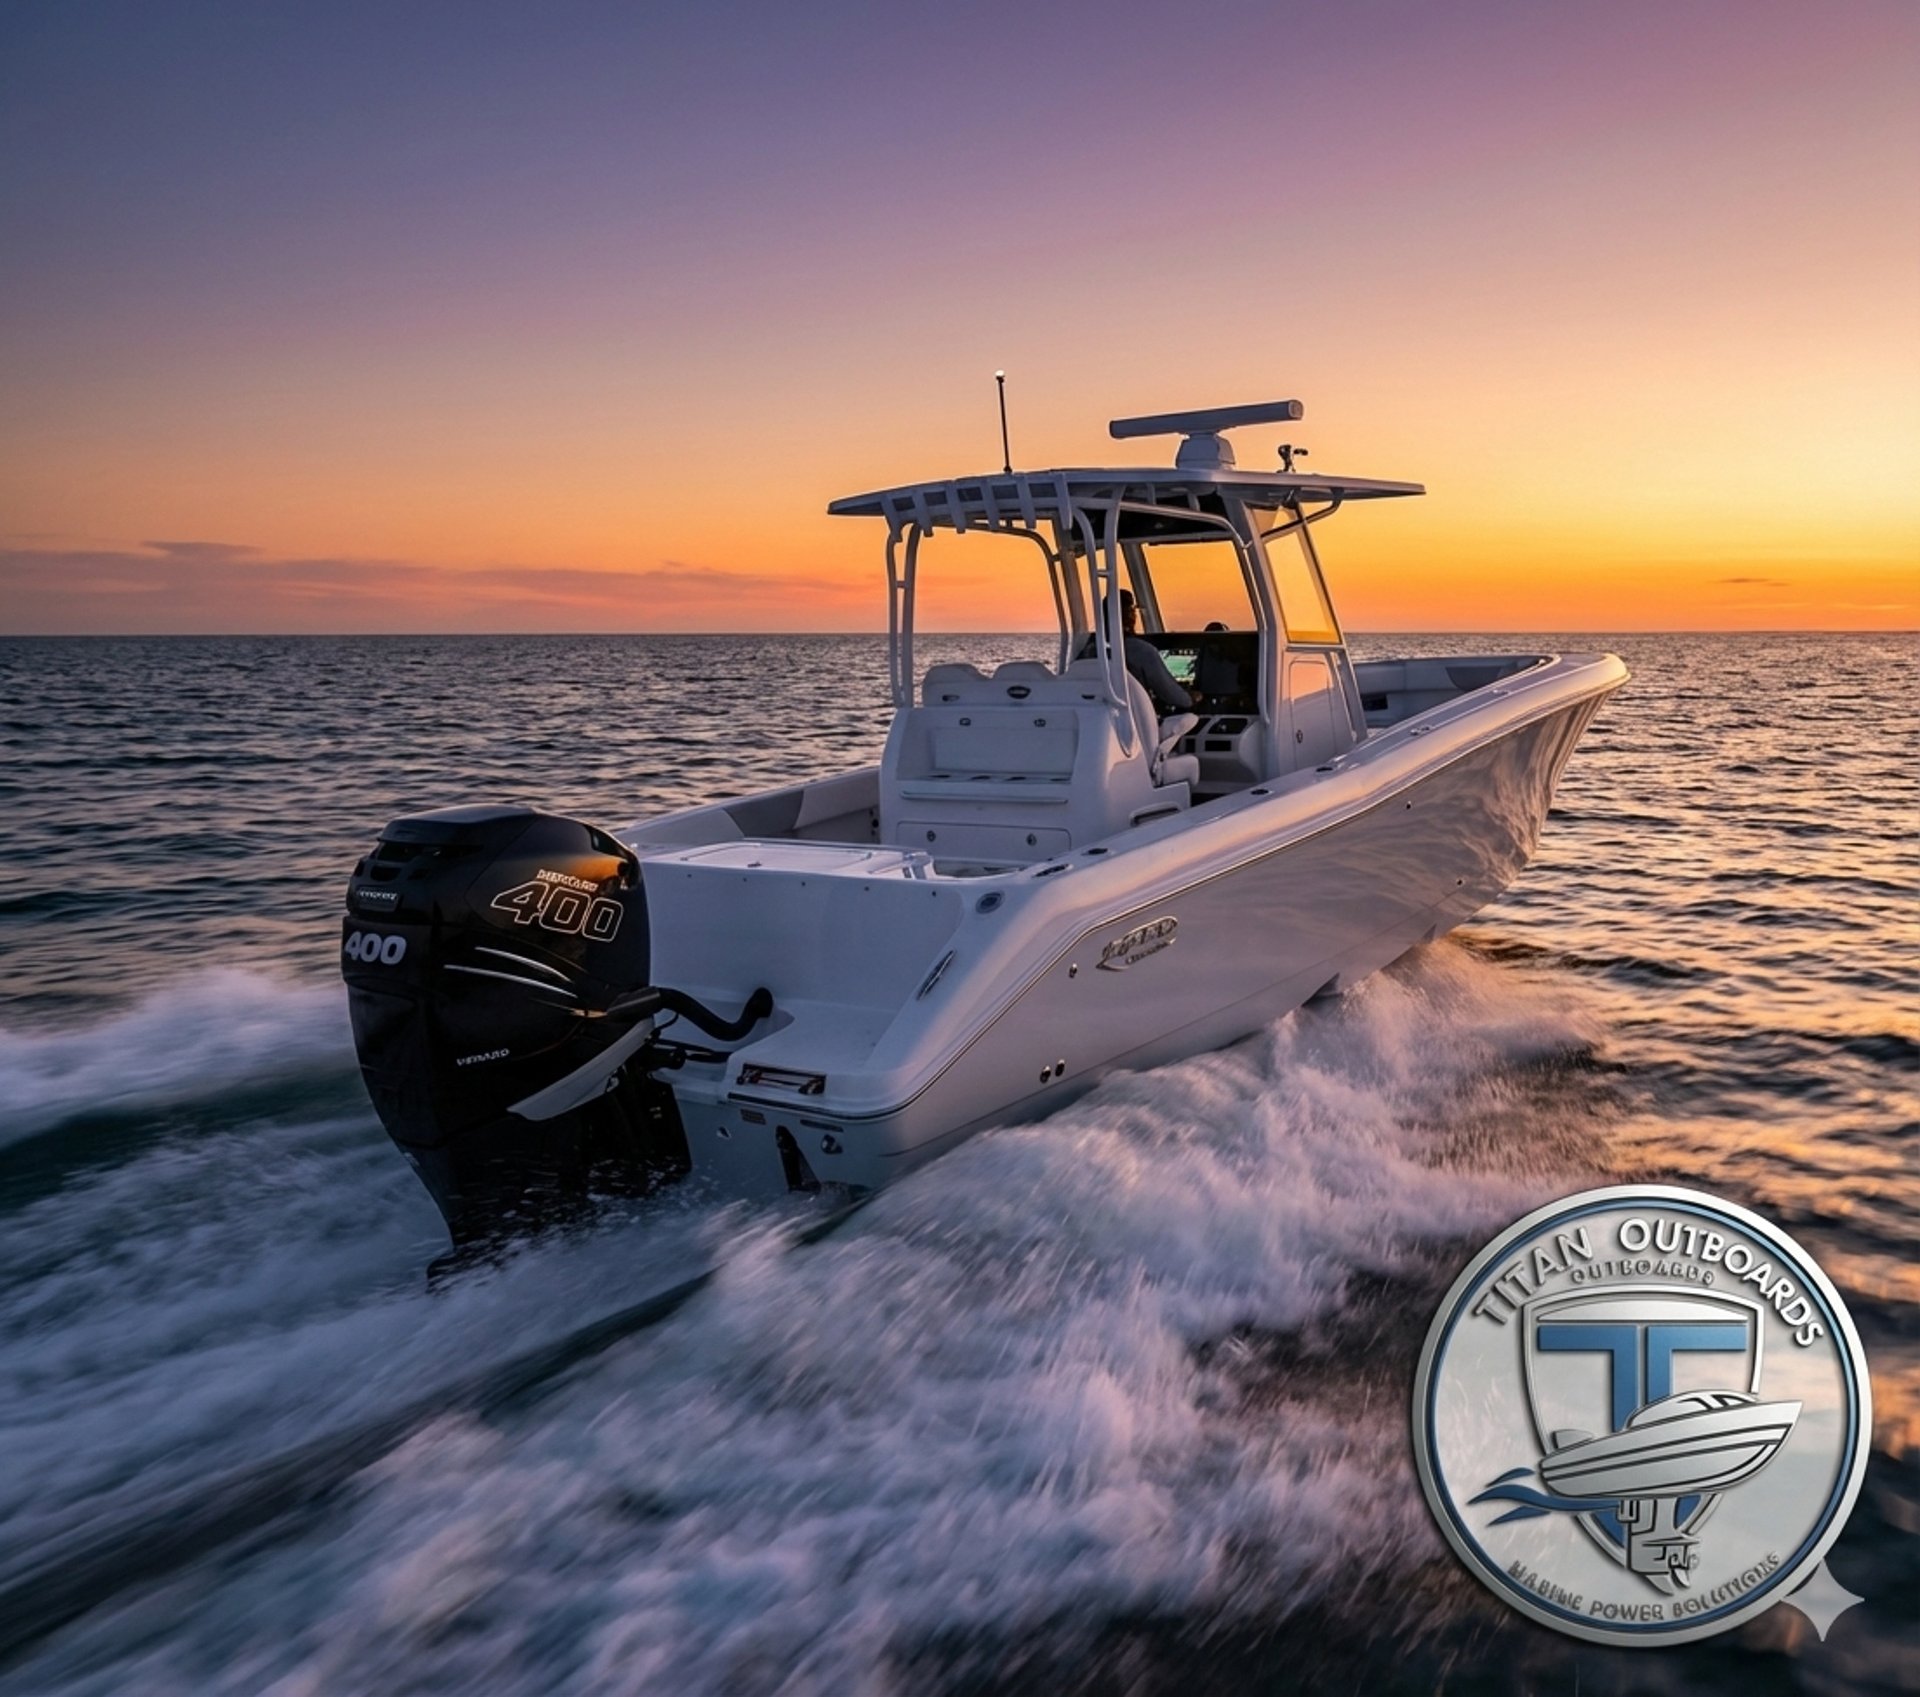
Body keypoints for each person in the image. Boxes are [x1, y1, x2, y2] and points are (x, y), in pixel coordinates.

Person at [1080, 588, 1198, 715]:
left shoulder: (1088, 651)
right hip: (1137, 723)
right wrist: (1191, 698)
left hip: (1098, 721)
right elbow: (1172, 695)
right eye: (1132, 610)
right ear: (1130, 615)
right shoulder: (1142, 651)